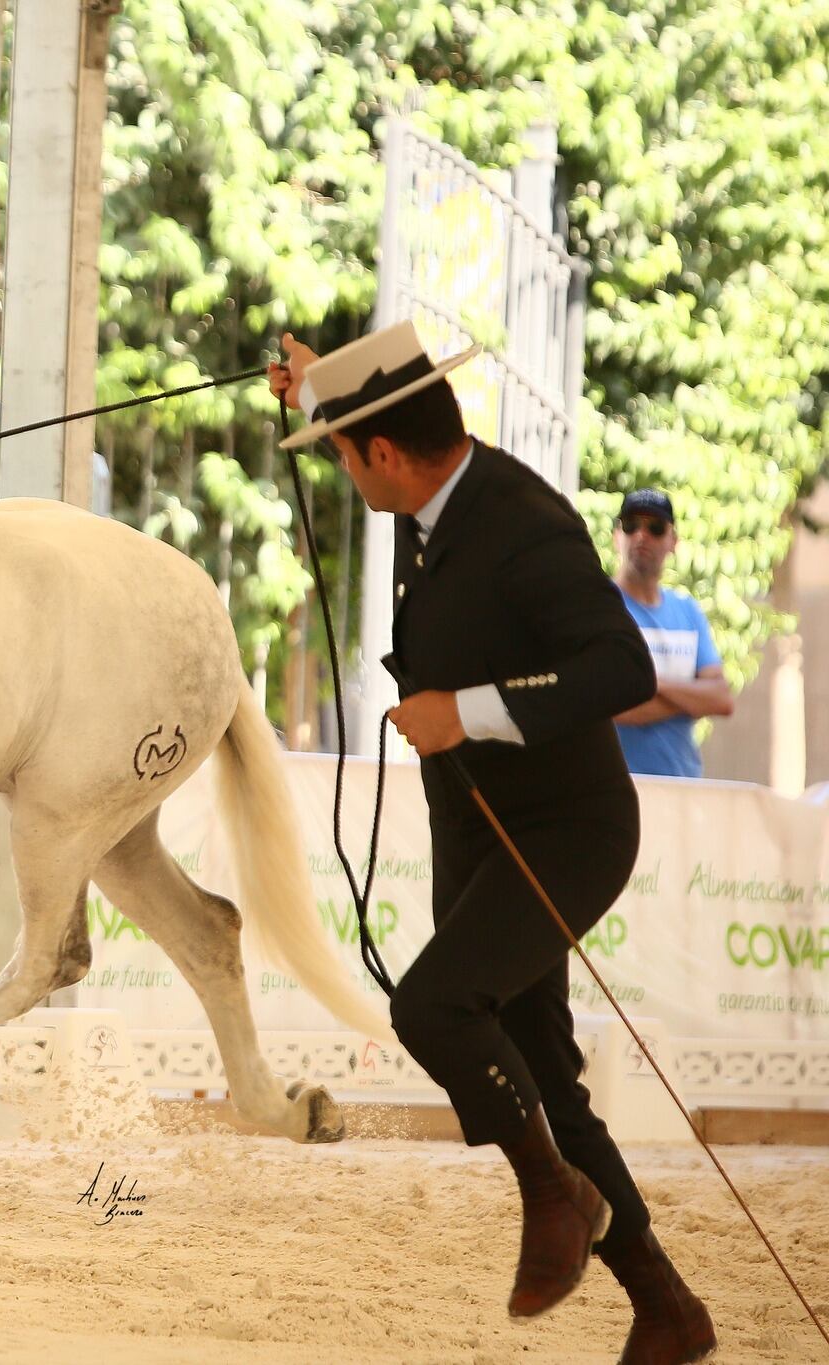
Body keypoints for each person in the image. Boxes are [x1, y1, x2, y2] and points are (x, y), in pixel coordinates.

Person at [270, 322, 714, 1365]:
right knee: (543, 1077)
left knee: (431, 1004)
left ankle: (553, 1195)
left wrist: (461, 711)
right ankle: (664, 1306)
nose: (340, 468)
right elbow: (364, 437)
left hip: (566, 832)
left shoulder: (523, 525)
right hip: (480, 832)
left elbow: (618, 672)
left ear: (382, 454)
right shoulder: (429, 490)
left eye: (340, 451)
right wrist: (316, 395)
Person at [610, 489, 733, 777]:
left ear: (673, 541)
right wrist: (690, 699)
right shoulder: (602, 606)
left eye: (655, 527)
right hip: (619, 786)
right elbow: (610, 706)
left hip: (684, 784)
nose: (642, 535)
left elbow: (720, 698)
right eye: (631, 525)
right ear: (618, 535)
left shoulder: (687, 610)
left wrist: (652, 684)